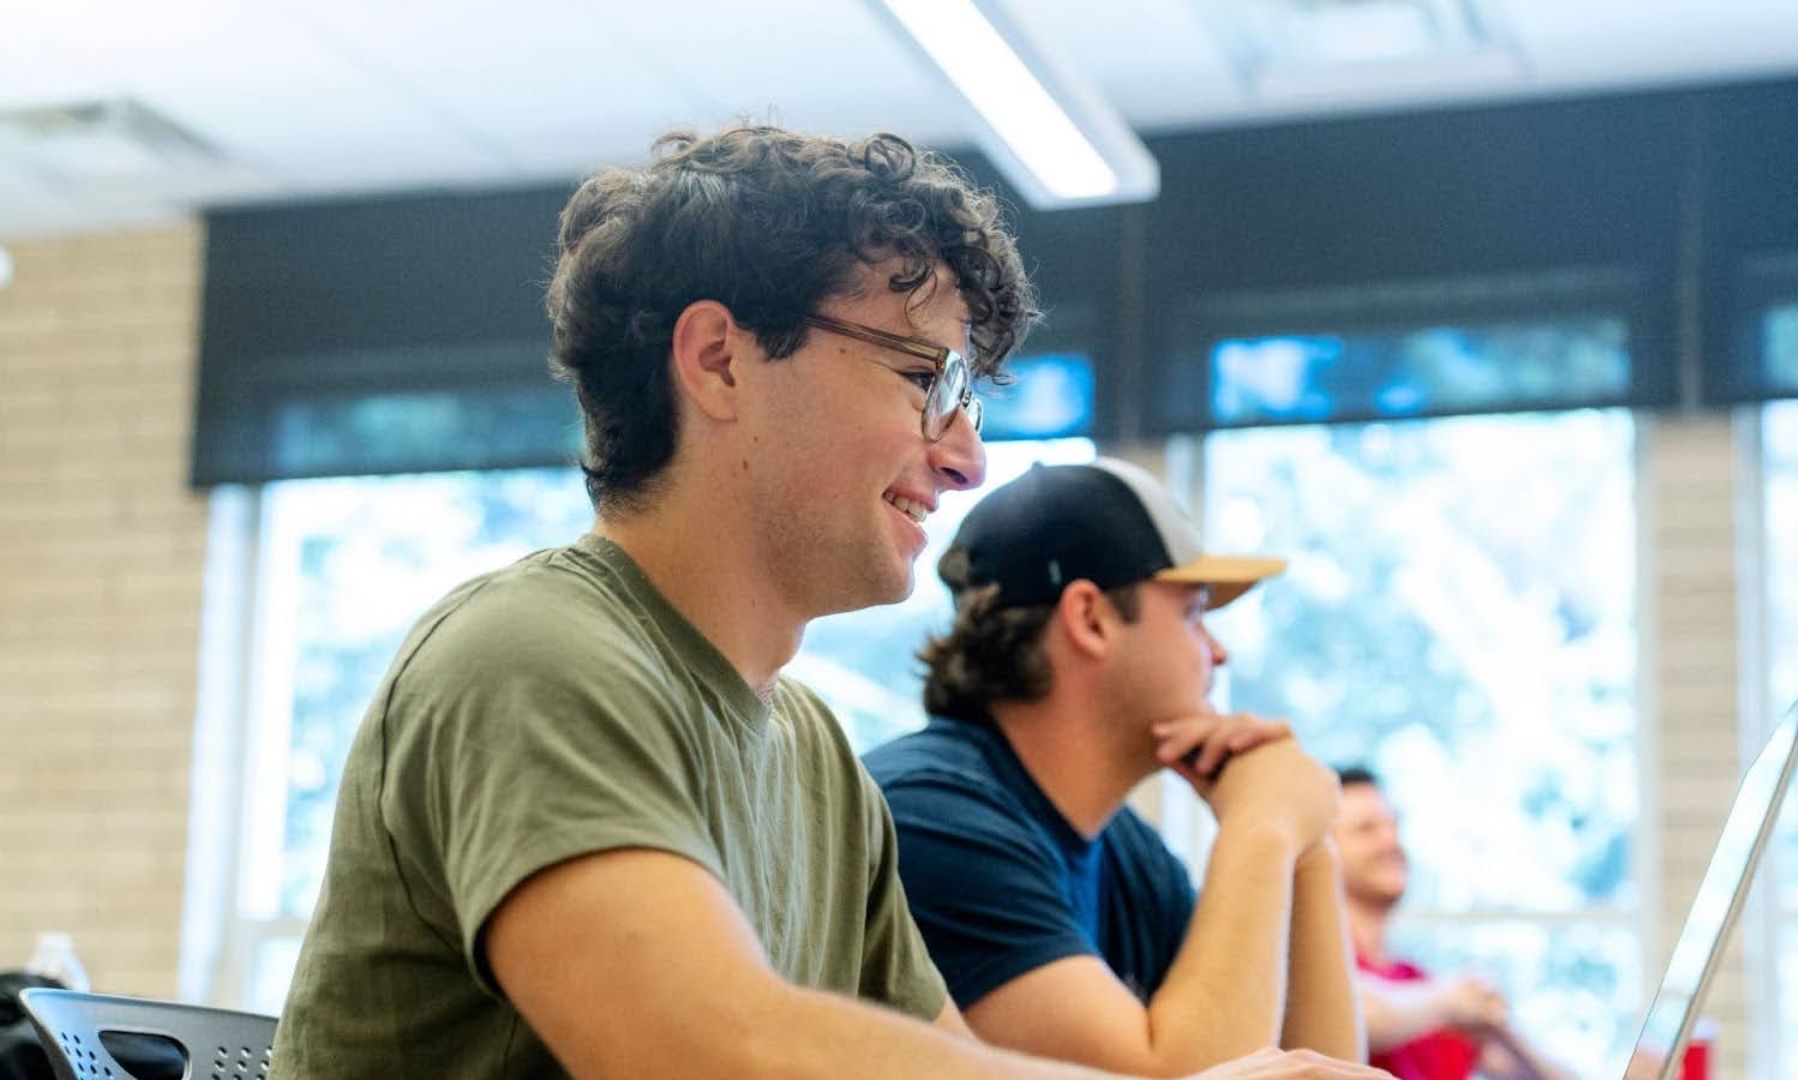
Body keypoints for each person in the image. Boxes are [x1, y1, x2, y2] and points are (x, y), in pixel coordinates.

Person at [269, 124, 1379, 1080]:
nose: (967, 462)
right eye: (923, 379)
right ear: (718, 361)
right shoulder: (530, 655)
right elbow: (705, 1053)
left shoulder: (811, 756)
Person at [866, 457, 1382, 1077]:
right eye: (1193, 613)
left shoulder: (1131, 856)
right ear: (1090, 619)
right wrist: (1262, 828)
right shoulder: (931, 819)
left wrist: (1310, 844)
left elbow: (1325, 1070)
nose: (1220, 652)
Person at [1331, 767, 1574, 1080]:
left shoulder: (1416, 983)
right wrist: (1452, 999)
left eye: (1394, 825)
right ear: (1324, 853)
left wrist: (1502, 1030)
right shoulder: (1315, 963)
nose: (1391, 841)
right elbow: (1350, 1011)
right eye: (1367, 829)